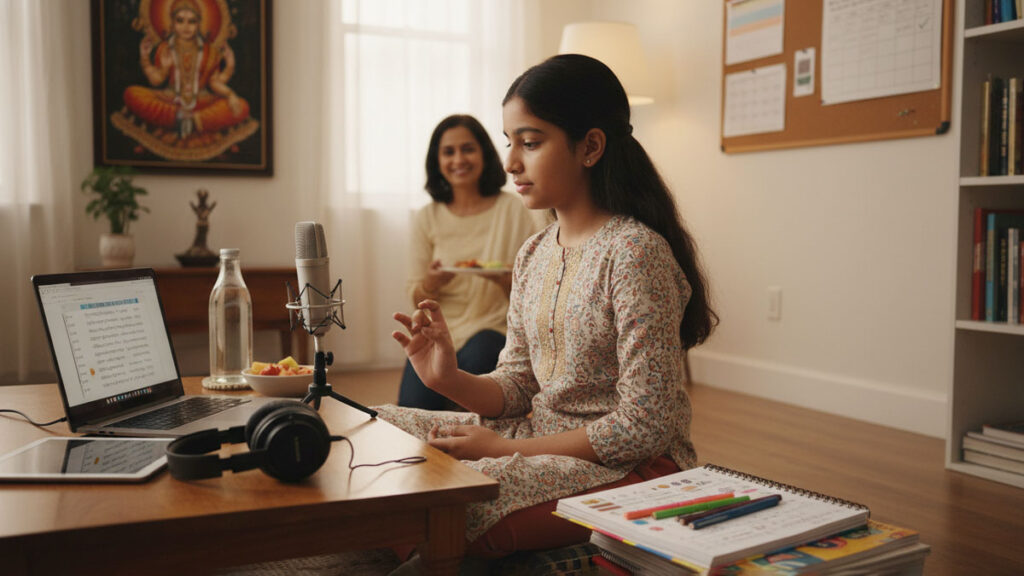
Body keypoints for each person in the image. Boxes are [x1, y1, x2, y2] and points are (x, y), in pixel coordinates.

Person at [378, 53, 717, 564]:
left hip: (626, 466)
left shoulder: (634, 254)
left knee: (451, 501)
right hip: (538, 440)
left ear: (591, 146)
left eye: (530, 143)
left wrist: (501, 451)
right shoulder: (534, 253)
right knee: (380, 434)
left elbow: (645, 424)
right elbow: (517, 386)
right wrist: (446, 379)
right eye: (509, 142)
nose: (511, 162)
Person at [398, 114, 542, 410]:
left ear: (484, 154)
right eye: (448, 152)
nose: (458, 159)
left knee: (474, 373)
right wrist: (432, 284)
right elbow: (417, 295)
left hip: (491, 329)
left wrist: (503, 280)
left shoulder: (511, 209)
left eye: (468, 149)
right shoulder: (428, 216)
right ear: (436, 161)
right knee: (411, 411)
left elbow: (534, 292)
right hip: (438, 330)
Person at [123, 0, 250, 140]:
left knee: (242, 105)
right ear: (172, 23)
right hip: (171, 100)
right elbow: (156, 81)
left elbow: (215, 83)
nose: (186, 26)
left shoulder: (210, 51)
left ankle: (193, 120)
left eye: (191, 21)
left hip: (201, 101)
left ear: (199, 24)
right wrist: (146, 58)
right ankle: (178, 118)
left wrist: (230, 73)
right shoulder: (164, 48)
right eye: (180, 20)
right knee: (132, 94)